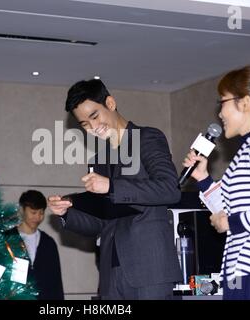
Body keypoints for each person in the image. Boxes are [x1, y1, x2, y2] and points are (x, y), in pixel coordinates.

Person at [48, 79, 182, 300]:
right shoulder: (100, 160)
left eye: (94, 116)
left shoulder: (147, 137)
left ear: (110, 103)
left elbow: (170, 189)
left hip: (150, 269)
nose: (92, 128)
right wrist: (67, 213)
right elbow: (100, 223)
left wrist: (111, 186)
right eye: (84, 124)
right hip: (111, 272)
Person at [182, 66, 250, 300]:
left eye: (222, 102)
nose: (220, 113)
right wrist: (203, 179)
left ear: (245, 103)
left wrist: (230, 223)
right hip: (241, 272)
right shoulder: (249, 149)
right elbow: (227, 208)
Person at [4, 190, 64, 300]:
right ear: (22, 210)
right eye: (33, 212)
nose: (37, 217)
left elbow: (56, 283)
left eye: (41, 213)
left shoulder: (48, 243)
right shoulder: (7, 239)